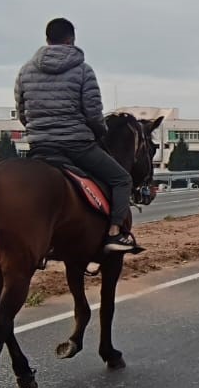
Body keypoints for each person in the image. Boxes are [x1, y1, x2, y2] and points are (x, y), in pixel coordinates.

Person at [14, 17, 141, 254]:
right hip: (76, 146)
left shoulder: (26, 71)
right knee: (122, 179)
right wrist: (100, 133)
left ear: (47, 40)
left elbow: (23, 113)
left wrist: (40, 130)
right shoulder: (83, 70)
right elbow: (93, 114)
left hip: (40, 147)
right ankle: (115, 234)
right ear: (71, 40)